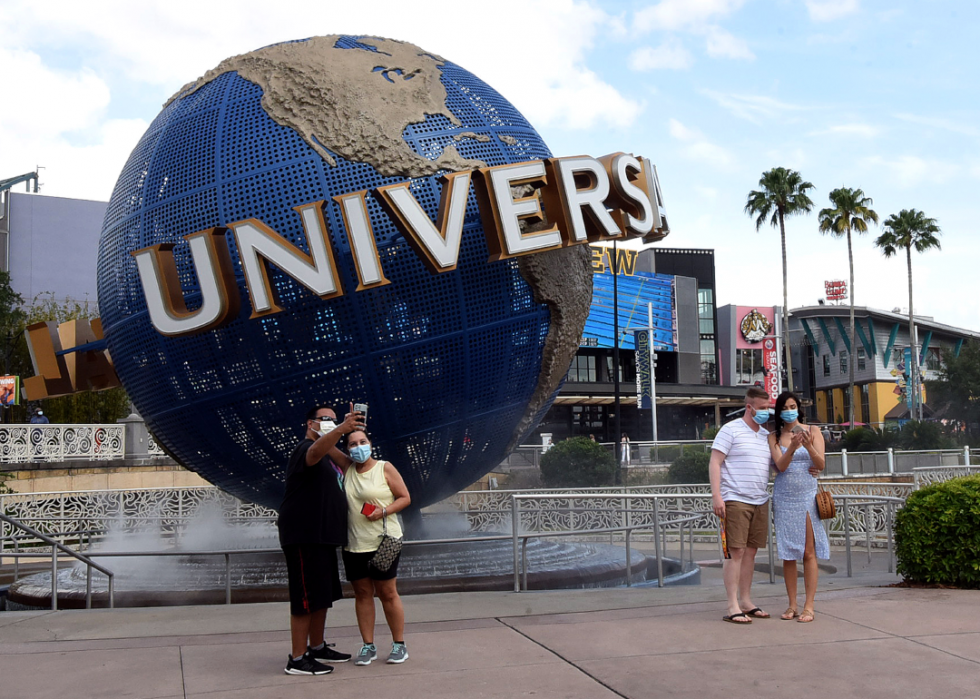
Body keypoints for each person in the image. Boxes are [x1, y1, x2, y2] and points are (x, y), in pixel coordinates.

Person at [278, 404, 362, 676]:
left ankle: (316, 646)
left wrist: (352, 435)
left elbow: (350, 466)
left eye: (333, 419)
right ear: (309, 423)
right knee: (305, 597)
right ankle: (298, 658)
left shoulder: (328, 453)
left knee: (322, 595)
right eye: (324, 419)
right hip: (305, 534)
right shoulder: (304, 448)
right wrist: (340, 429)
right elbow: (314, 453)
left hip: (324, 536)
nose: (329, 422)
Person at [333, 428, 412, 666]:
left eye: (362, 442)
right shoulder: (347, 469)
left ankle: (399, 644)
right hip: (355, 543)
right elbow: (325, 445)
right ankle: (368, 645)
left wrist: (383, 511)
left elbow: (405, 497)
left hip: (383, 541)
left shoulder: (384, 468)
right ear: (347, 449)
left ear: (370, 443)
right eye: (352, 444)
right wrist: (343, 426)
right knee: (363, 594)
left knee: (387, 593)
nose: (358, 447)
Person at [709, 386, 773, 624]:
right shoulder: (731, 430)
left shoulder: (766, 436)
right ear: (750, 407)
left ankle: (746, 600)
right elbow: (715, 462)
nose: (766, 412)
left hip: (759, 499)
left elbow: (776, 465)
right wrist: (717, 496)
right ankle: (732, 604)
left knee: (751, 552)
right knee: (735, 551)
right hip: (735, 499)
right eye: (763, 408)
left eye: (768, 408)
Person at [768, 391, 829, 623]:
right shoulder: (773, 436)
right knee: (788, 552)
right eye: (785, 407)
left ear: (799, 408)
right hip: (784, 496)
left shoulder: (813, 430)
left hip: (807, 495)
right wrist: (792, 447)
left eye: (793, 406)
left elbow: (821, 463)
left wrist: (808, 445)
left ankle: (809, 605)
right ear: (779, 411)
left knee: (808, 551)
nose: (789, 410)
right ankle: (792, 604)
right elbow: (780, 466)